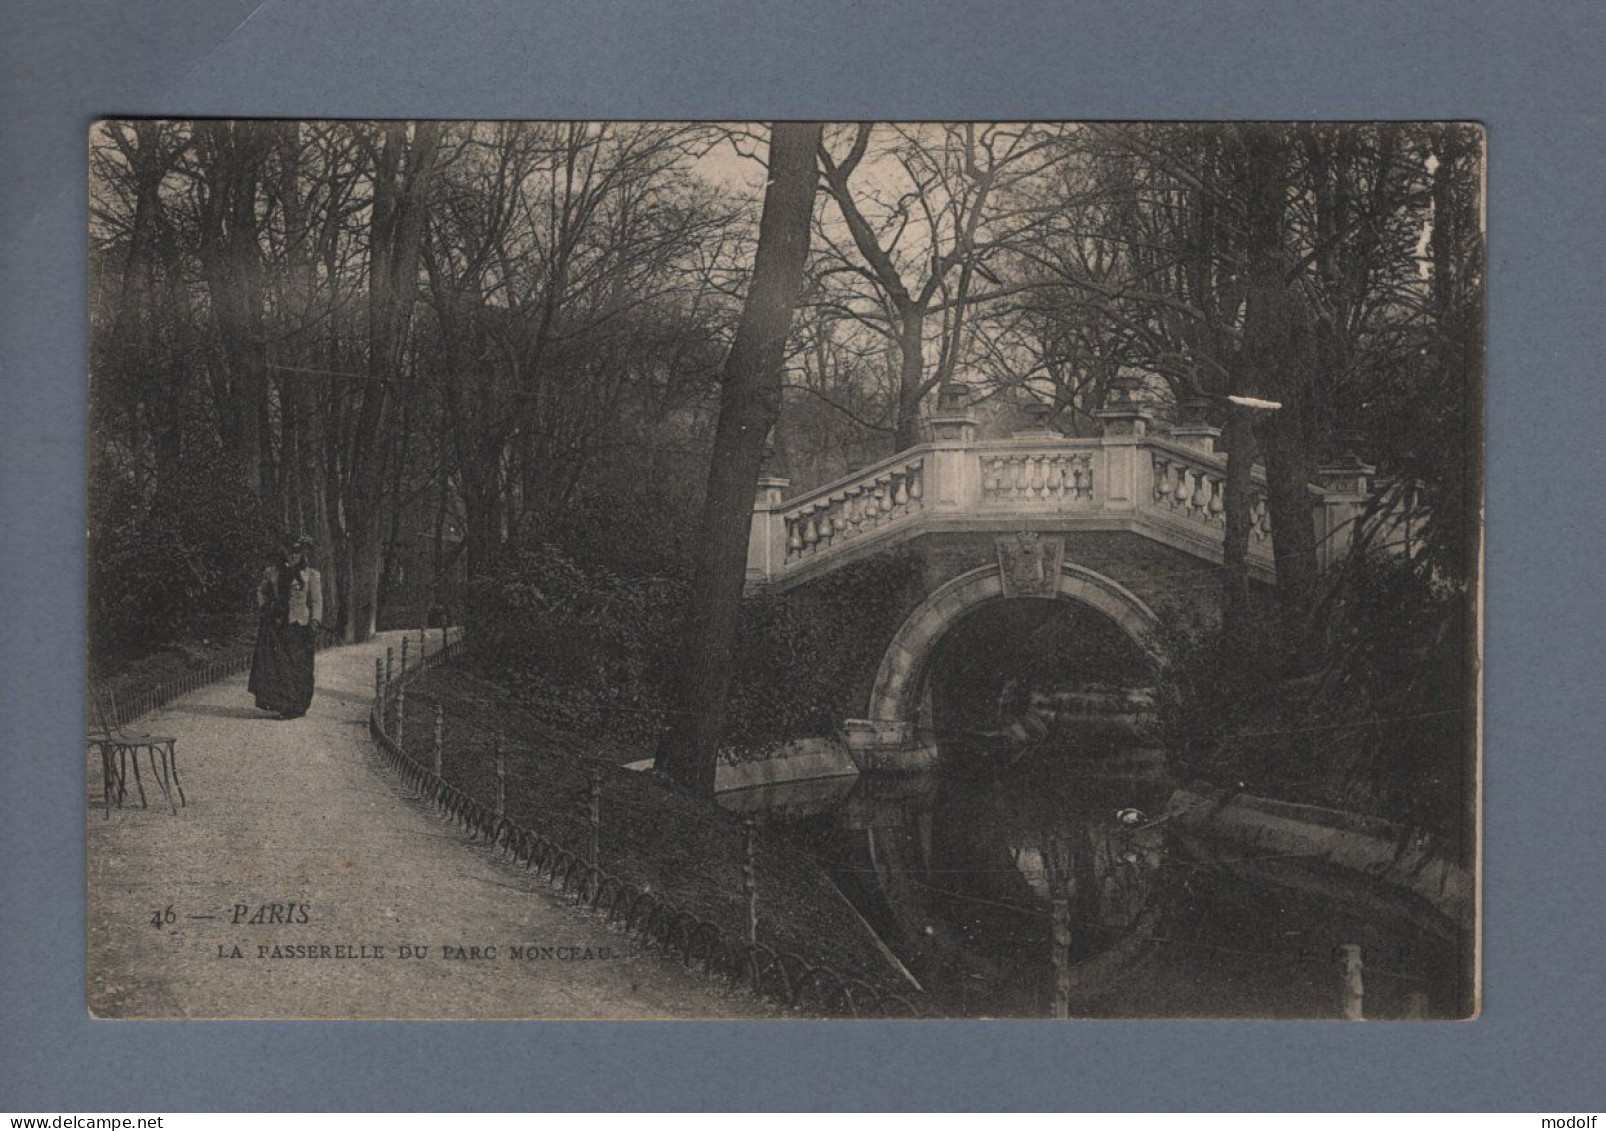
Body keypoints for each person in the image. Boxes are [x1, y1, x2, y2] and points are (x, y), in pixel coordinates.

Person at [248, 534, 324, 719]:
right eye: (291, 553)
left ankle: (298, 705)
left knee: (299, 666)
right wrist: (266, 607)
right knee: (280, 666)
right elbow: (261, 591)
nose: (294, 556)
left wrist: (315, 620)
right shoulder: (273, 573)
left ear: (302, 554)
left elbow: (315, 600)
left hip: (301, 627)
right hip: (279, 626)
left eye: (297, 553)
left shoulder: (311, 575)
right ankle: (284, 704)